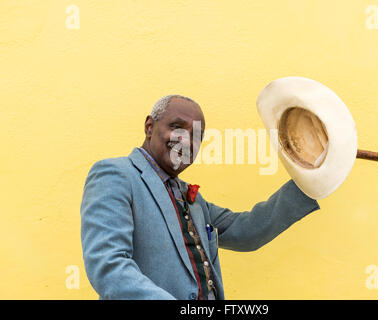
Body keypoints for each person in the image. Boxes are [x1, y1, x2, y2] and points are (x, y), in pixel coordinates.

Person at [80, 94, 320, 300]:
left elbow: (246, 232)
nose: (186, 140)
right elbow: (108, 267)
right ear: (149, 127)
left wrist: (311, 180)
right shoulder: (115, 175)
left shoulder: (191, 199)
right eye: (176, 126)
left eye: (197, 135)